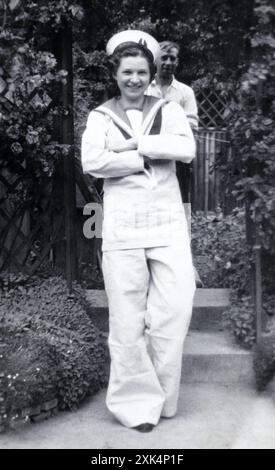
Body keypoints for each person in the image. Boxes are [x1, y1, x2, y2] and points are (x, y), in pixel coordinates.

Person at [81, 30, 196, 432]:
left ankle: (163, 398)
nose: (134, 79)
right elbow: (93, 160)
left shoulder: (169, 108)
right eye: (127, 71)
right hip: (123, 225)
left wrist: (135, 147)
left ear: (152, 74)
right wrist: (143, 157)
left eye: (142, 72)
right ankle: (135, 406)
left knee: (174, 311)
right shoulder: (100, 116)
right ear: (115, 73)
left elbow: (187, 149)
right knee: (127, 319)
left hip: (167, 223)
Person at [146, 41, 203, 287]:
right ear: (156, 60)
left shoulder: (184, 93)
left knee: (181, 213)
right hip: (147, 161)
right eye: (164, 58)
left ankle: (186, 268)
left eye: (173, 59)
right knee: (148, 212)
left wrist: (166, 138)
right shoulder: (144, 88)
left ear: (177, 62)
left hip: (177, 164)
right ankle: (151, 269)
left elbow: (190, 128)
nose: (168, 63)